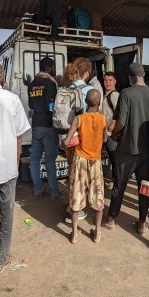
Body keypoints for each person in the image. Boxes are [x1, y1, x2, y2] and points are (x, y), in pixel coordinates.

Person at [0, 60, 30, 274]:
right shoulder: (13, 99)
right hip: (7, 165)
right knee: (6, 215)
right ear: (2, 78)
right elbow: (19, 137)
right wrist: (16, 164)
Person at [104, 63, 149, 234]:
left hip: (126, 149)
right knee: (144, 187)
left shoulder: (126, 93)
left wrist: (113, 135)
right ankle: (142, 223)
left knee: (119, 185)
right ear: (143, 75)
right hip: (147, 151)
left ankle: (111, 219)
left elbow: (120, 122)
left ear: (130, 77)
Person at [62, 89, 107, 244]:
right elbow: (105, 139)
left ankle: (74, 233)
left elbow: (67, 142)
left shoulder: (79, 119)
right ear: (99, 102)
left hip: (80, 160)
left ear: (86, 102)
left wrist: (64, 142)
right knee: (98, 196)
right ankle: (97, 232)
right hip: (96, 161)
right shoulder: (103, 119)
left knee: (76, 195)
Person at [60, 57, 93, 223]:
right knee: (80, 175)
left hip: (67, 136)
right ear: (86, 73)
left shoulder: (65, 87)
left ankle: (70, 205)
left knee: (72, 171)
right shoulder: (89, 90)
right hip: (81, 138)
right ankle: (77, 209)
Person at [28, 57, 59, 199]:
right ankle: (54, 193)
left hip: (35, 125)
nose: (54, 70)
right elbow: (50, 104)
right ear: (48, 68)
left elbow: (30, 105)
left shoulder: (32, 83)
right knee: (50, 161)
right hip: (47, 125)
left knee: (34, 159)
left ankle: (37, 188)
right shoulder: (50, 84)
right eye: (53, 67)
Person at [102, 72, 119, 183]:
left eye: (110, 80)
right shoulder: (106, 95)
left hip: (112, 133)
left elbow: (120, 111)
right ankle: (115, 179)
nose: (108, 83)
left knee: (115, 158)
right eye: (106, 80)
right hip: (106, 132)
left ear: (115, 82)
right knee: (112, 157)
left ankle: (117, 181)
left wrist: (113, 124)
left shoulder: (114, 95)